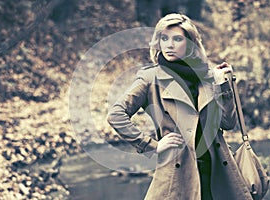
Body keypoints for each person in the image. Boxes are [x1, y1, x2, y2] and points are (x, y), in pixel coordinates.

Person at [107, 13, 253, 200]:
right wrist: (152, 145)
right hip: (178, 175)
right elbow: (116, 114)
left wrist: (223, 85)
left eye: (177, 39)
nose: (169, 45)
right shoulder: (150, 78)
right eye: (164, 38)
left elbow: (228, 123)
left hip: (217, 170)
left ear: (191, 43)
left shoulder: (207, 76)